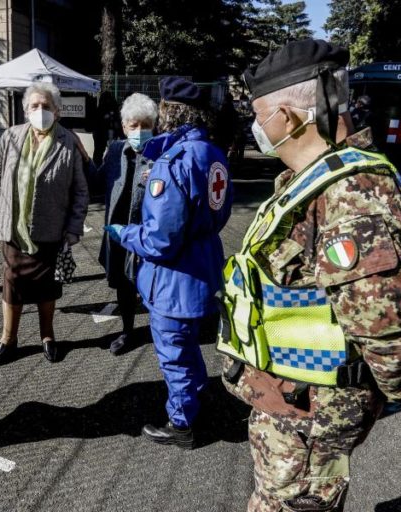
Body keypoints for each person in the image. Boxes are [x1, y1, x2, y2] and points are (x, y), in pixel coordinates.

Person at [216, 40, 401, 511]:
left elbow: (381, 322)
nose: (256, 128)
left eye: (260, 116)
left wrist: (400, 380)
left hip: (313, 407)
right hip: (293, 395)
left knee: (296, 503)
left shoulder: (352, 191)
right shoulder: (315, 178)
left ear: (288, 118)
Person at [104, 77, 233, 449]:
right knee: (188, 345)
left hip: (174, 278)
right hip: (205, 264)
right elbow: (218, 213)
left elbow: (160, 240)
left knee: (174, 352)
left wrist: (122, 233)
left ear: (167, 111)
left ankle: (182, 424)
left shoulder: (172, 161)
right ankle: (192, 402)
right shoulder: (213, 153)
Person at [0, 82, 88, 365]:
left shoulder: (68, 142)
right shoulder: (11, 136)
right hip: (13, 230)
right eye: (35, 106)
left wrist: (73, 227)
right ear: (25, 109)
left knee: (47, 288)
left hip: (50, 230)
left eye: (46, 106)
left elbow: (80, 190)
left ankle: (47, 336)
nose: (40, 110)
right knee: (12, 285)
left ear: (57, 111)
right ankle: (8, 338)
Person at [93, 93, 158, 355]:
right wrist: (79, 158)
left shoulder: (162, 154)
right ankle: (128, 331)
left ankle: (160, 332)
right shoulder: (116, 150)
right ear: (124, 127)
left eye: (145, 125)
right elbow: (96, 183)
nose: (140, 131)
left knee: (152, 286)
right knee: (123, 285)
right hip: (119, 233)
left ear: (154, 126)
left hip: (148, 234)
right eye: (134, 126)